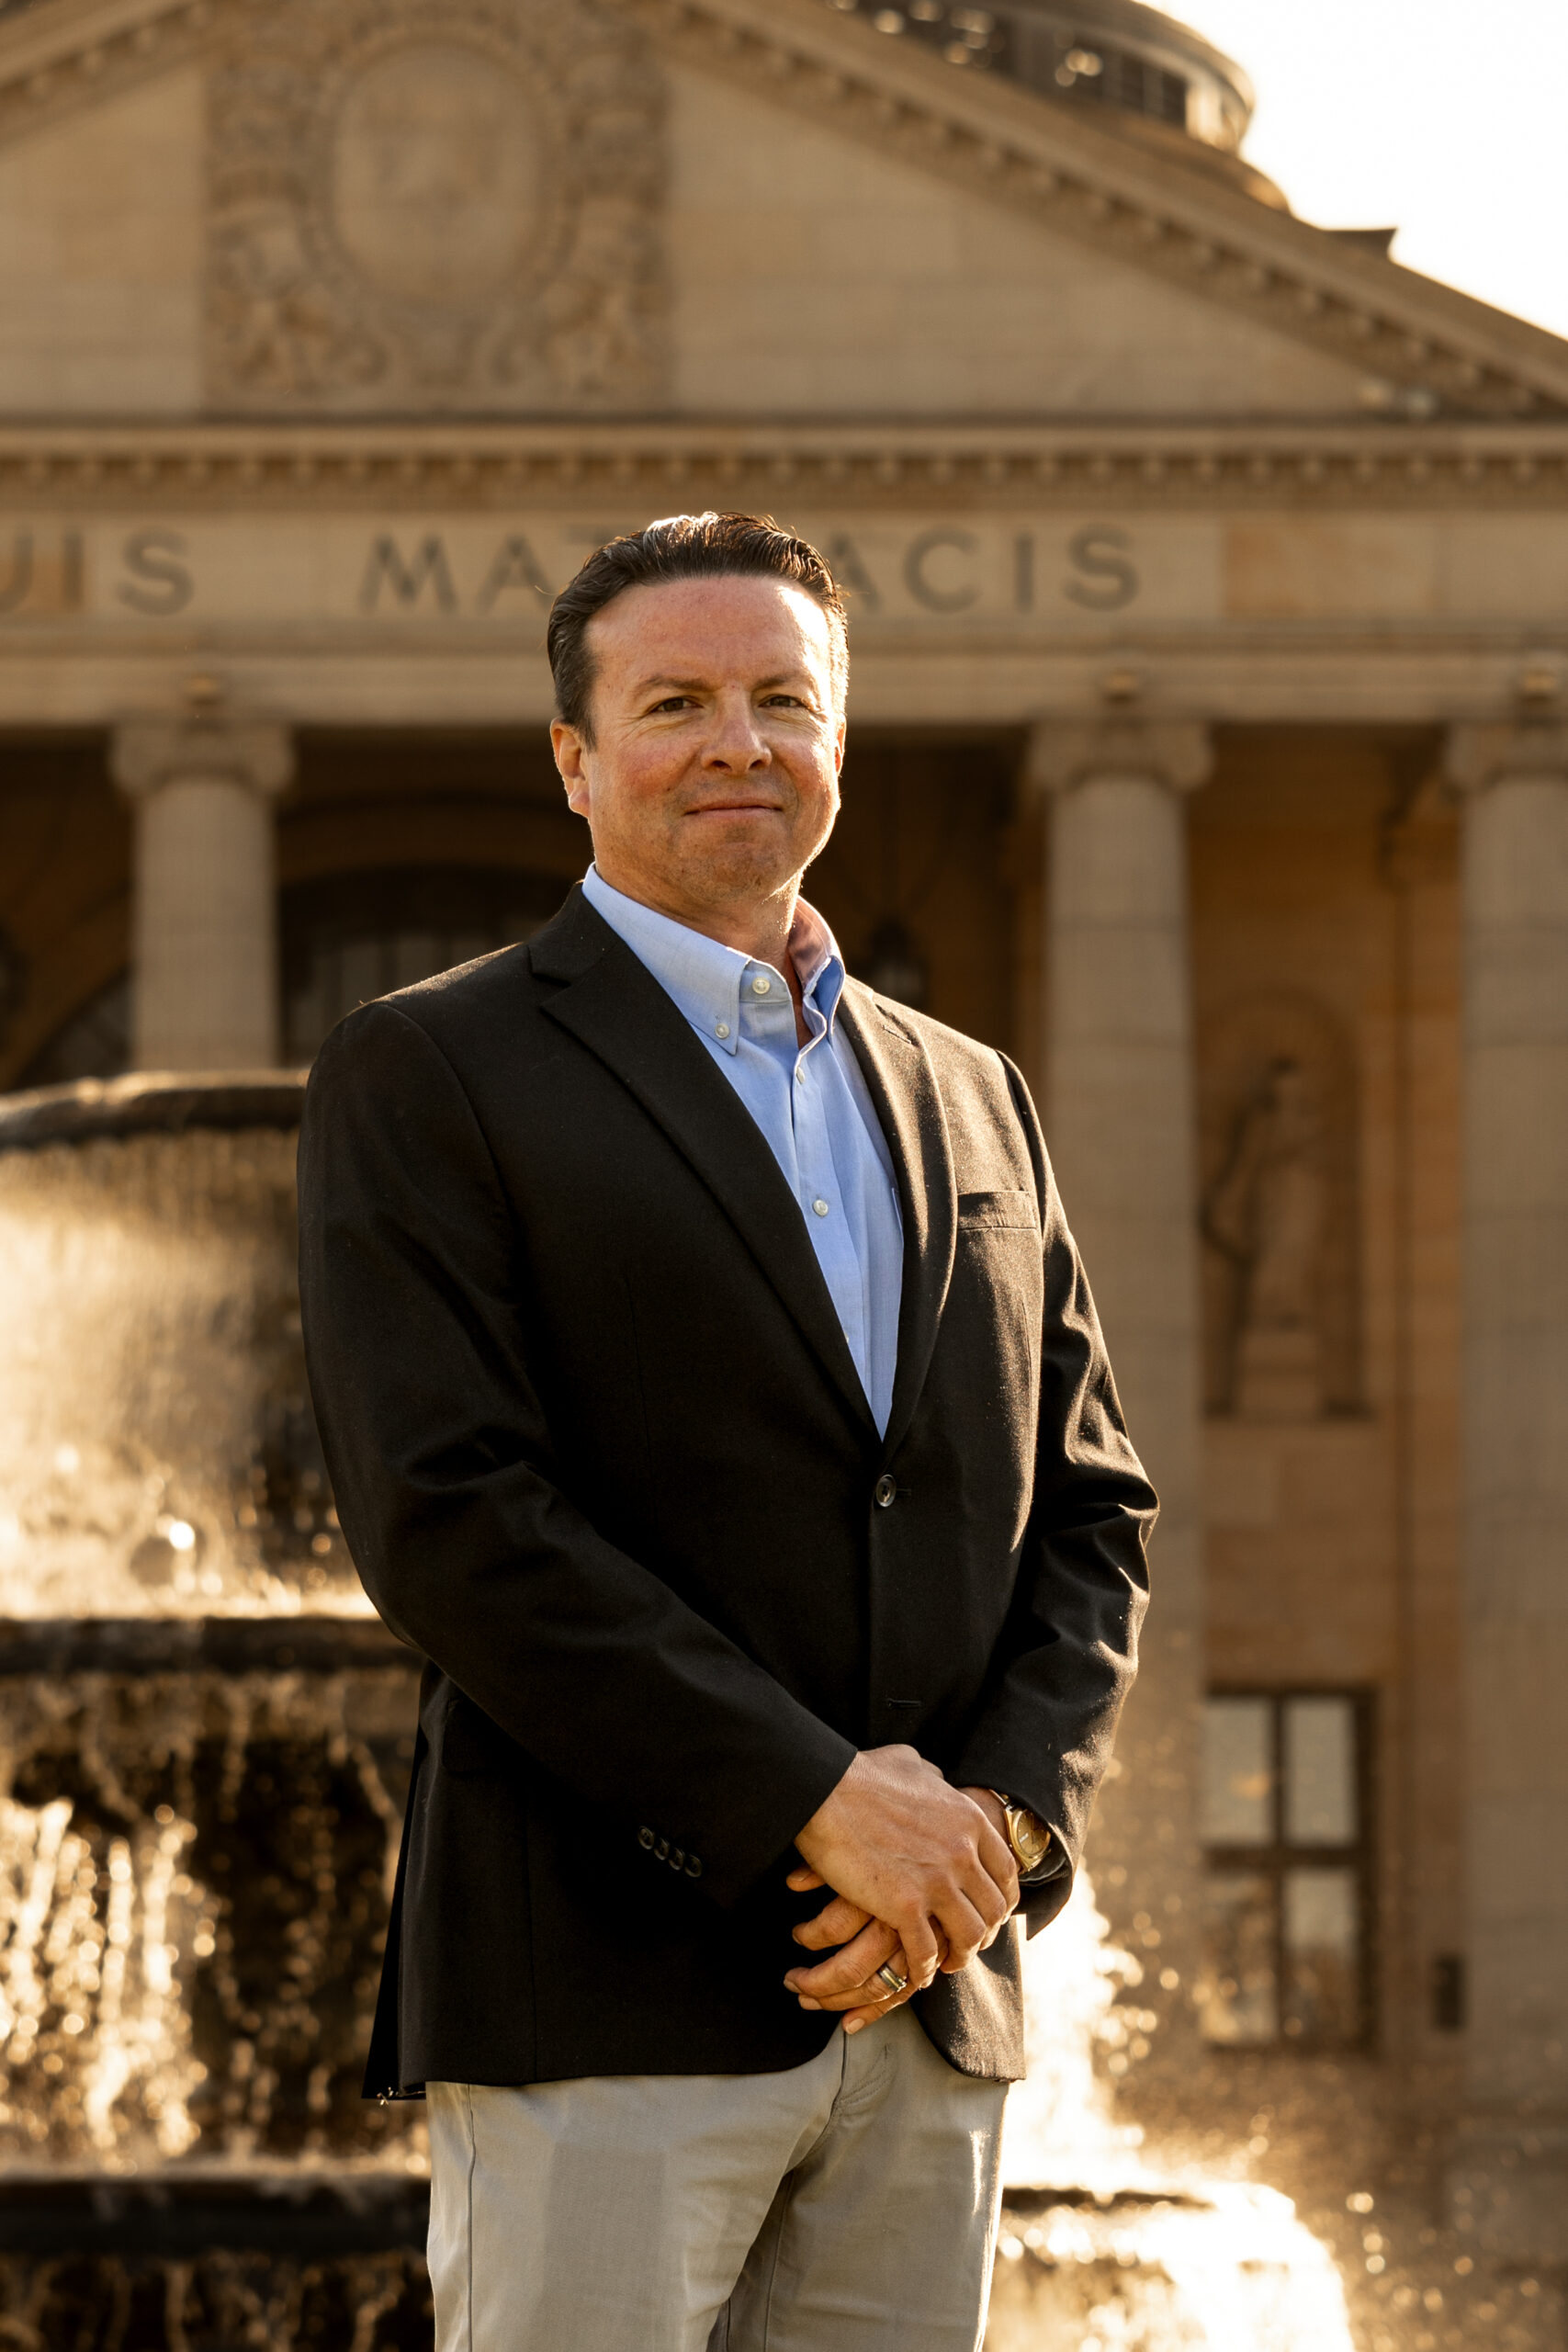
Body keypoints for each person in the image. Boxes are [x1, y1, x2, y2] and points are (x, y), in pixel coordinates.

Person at [298, 512, 1156, 2352]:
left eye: (782, 697)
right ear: (572, 757)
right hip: (598, 1989)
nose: (734, 742)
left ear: (838, 739)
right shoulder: (430, 1064)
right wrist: (810, 1799)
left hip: (923, 2003)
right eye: (673, 699)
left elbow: (1089, 1510)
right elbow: (446, 1514)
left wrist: (987, 1828)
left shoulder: (970, 1089)